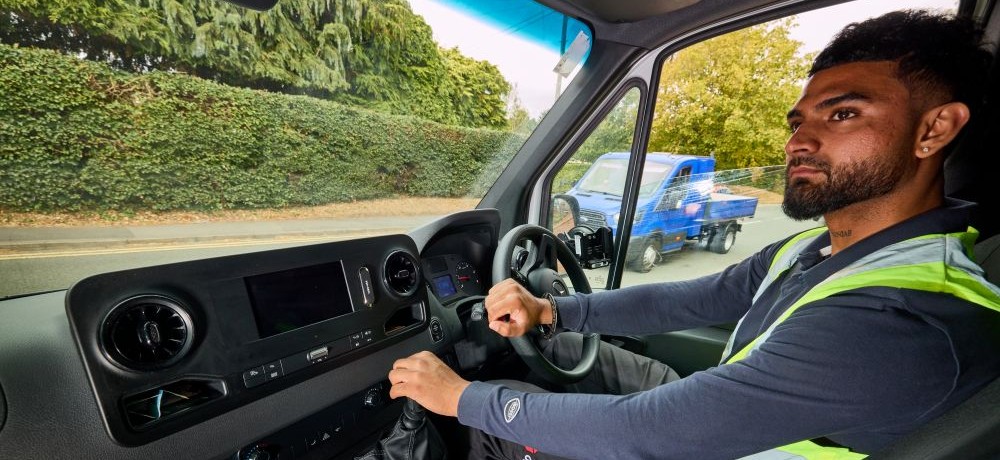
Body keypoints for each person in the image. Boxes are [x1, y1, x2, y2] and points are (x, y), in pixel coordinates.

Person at [387, 10, 1000, 459]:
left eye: (844, 113)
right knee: (563, 351)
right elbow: (690, 299)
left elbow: (647, 431)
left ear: (934, 129)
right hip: (737, 419)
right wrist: (554, 311)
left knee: (492, 420)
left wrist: (461, 399)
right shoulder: (822, 247)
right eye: (799, 121)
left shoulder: (898, 319)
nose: (799, 142)